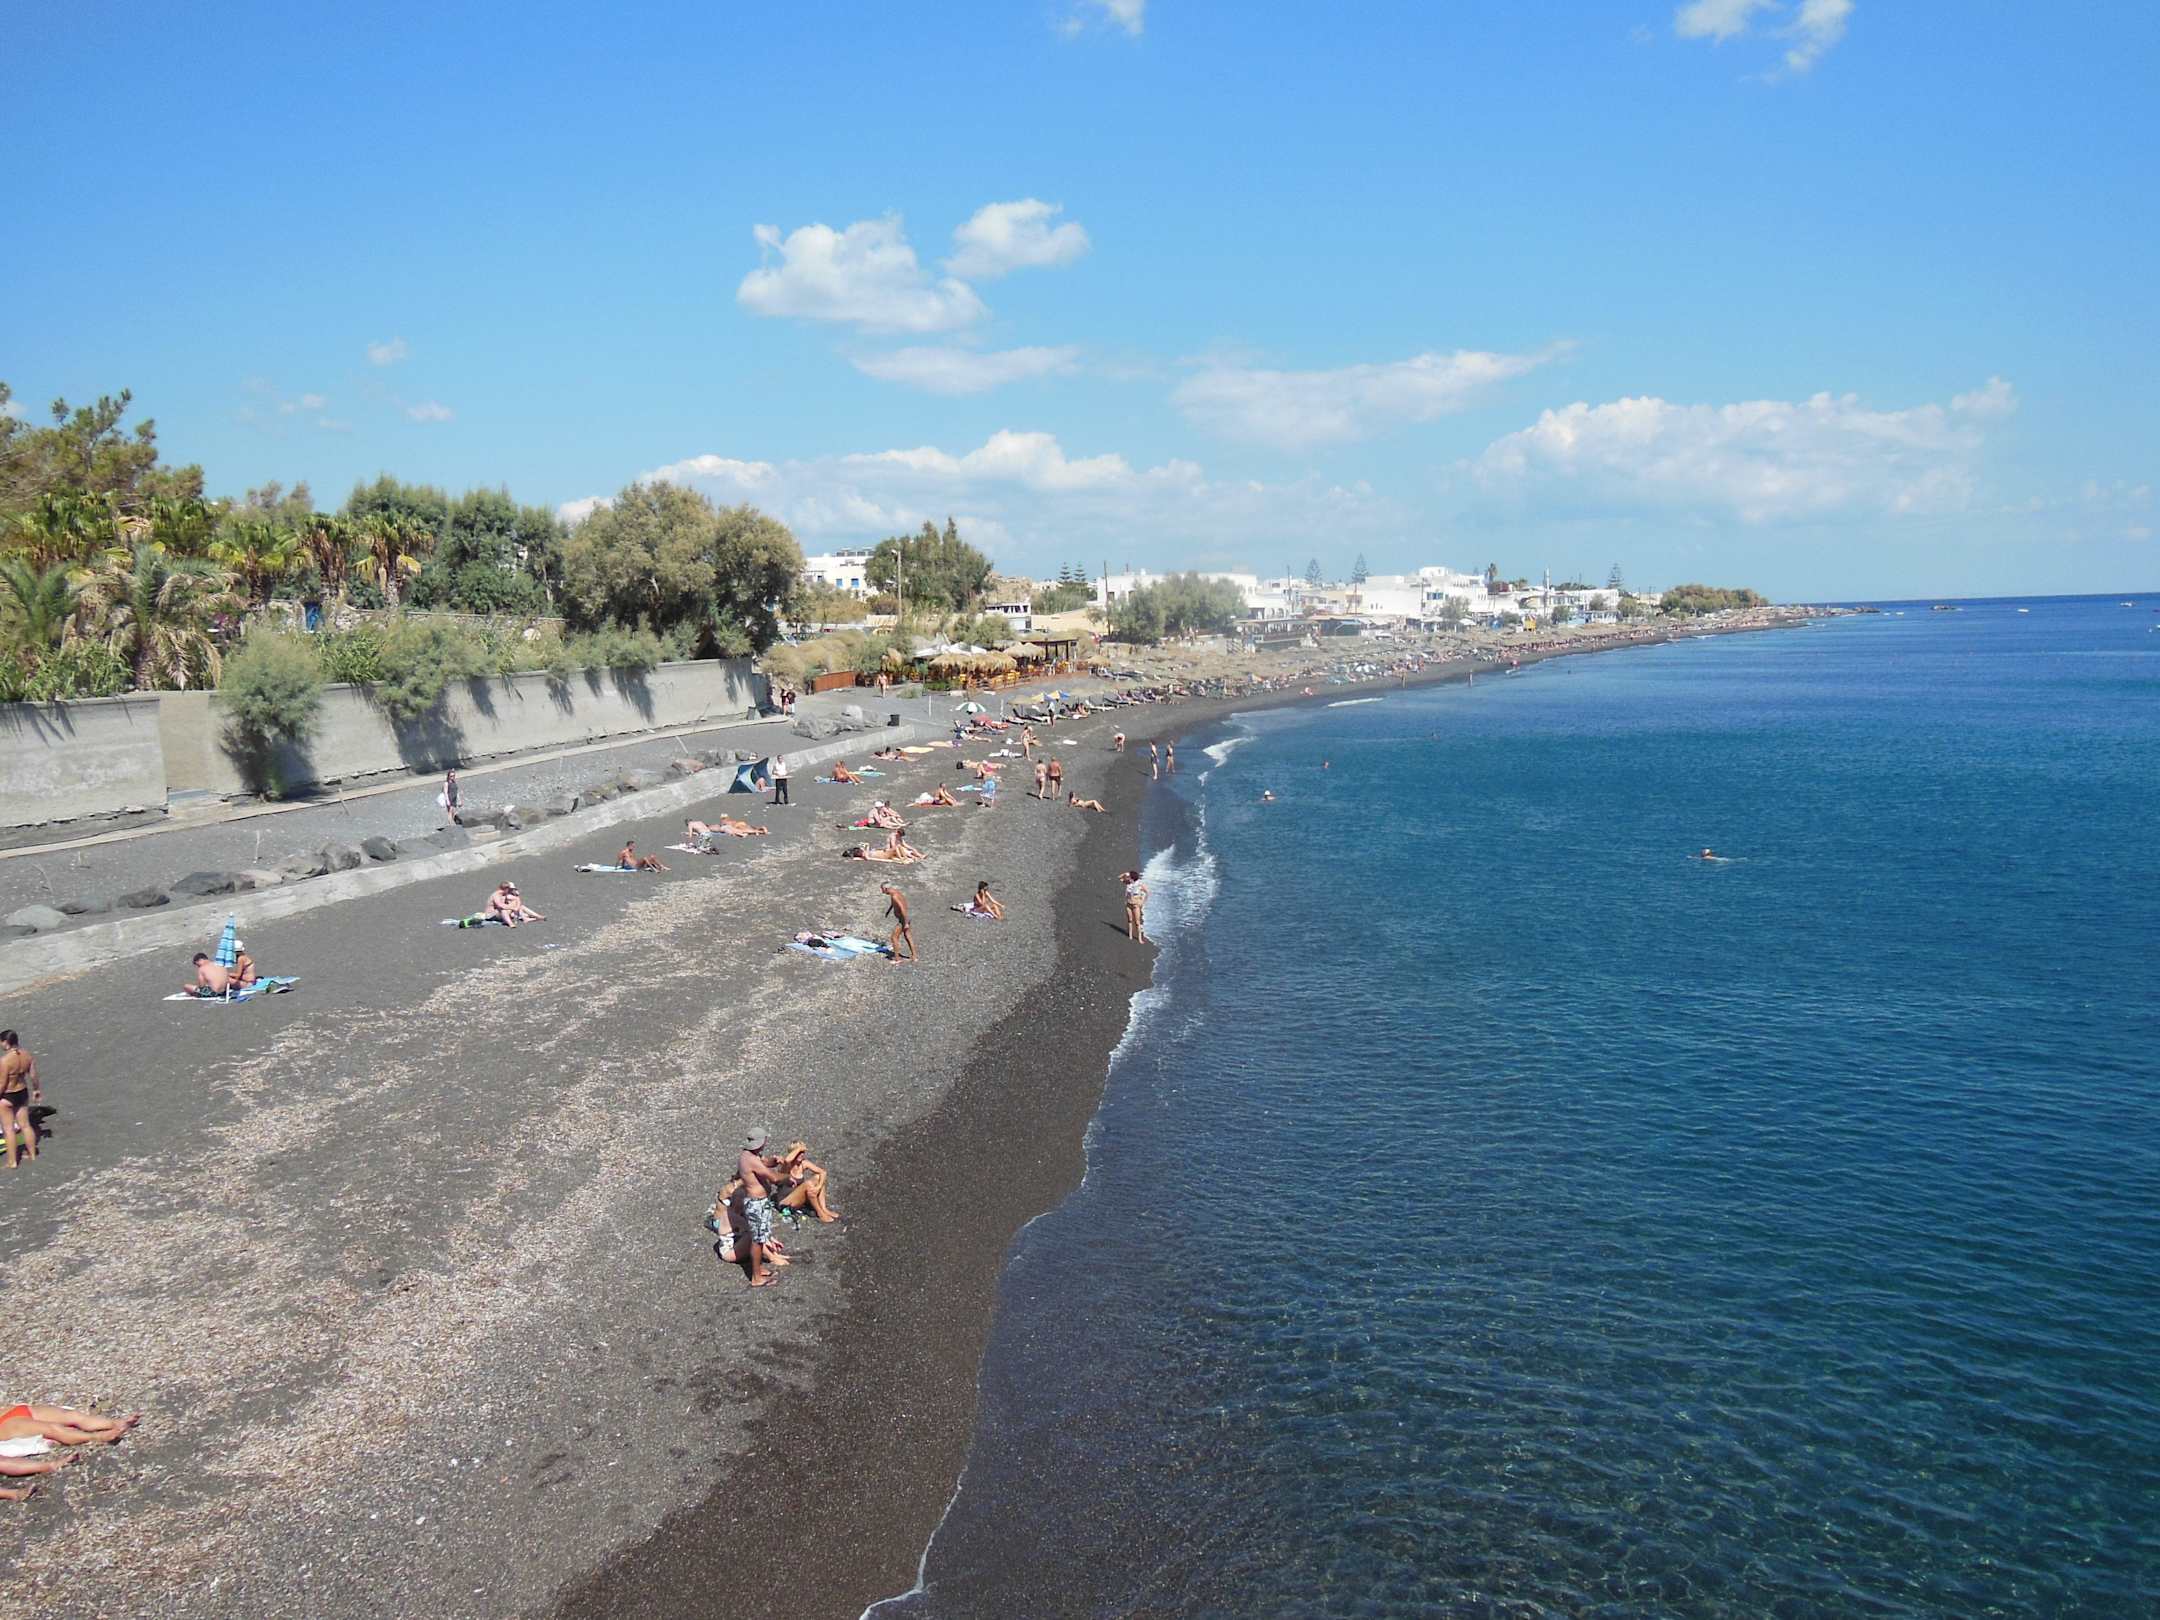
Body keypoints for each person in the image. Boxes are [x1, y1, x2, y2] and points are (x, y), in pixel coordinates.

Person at [0, 1406, 139, 1448]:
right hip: (5, 1425)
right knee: (53, 1429)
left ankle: (114, 1423)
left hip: (11, 1411)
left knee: (72, 1415)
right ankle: (97, 1437)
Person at [0, 1031, 39, 1172]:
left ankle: (12, 1162)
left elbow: (2, 1083)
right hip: (22, 1093)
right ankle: (32, 1154)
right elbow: (33, 1076)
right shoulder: (27, 1055)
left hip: (8, 1096)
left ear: (6, 1042)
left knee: (8, 1129)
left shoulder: (5, 1061)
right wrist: (36, 1090)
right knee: (26, 1125)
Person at [775, 1141, 840, 1222]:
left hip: (797, 1198)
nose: (801, 1154)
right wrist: (799, 1148)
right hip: (785, 1202)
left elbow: (823, 1172)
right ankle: (820, 1213)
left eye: (803, 1152)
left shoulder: (803, 1163)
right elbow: (787, 1160)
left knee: (818, 1178)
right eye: (798, 1152)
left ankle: (824, 1209)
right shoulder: (787, 1166)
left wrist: (819, 1186)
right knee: (808, 1184)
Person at [881, 883, 916, 963]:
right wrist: (889, 910)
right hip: (907, 917)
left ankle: (897, 959)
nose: (882, 892)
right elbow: (894, 903)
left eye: (882, 890)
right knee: (908, 936)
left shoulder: (895, 896)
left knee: (894, 937)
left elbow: (902, 908)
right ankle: (914, 956)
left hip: (903, 919)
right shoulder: (895, 892)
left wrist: (905, 922)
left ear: (886, 889)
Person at [1121, 870, 1150, 944]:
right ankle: (1130, 935)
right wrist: (1125, 873)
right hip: (1128, 904)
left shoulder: (1139, 884)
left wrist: (1143, 902)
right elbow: (1120, 878)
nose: (1128, 877)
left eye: (1129, 876)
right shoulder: (1128, 883)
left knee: (1137, 922)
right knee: (1130, 920)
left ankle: (1140, 938)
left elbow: (1147, 892)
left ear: (1132, 878)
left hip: (1136, 905)